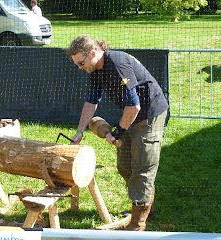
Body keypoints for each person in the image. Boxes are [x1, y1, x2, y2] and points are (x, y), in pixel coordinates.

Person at [68, 35, 169, 231]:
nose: (80, 67)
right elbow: (91, 102)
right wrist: (80, 131)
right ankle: (146, 205)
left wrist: (119, 132)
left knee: (143, 167)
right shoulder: (96, 69)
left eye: (81, 62)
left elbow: (134, 106)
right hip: (131, 115)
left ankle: (137, 224)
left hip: (149, 114)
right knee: (124, 165)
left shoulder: (117, 63)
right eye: (77, 64)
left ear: (93, 53)